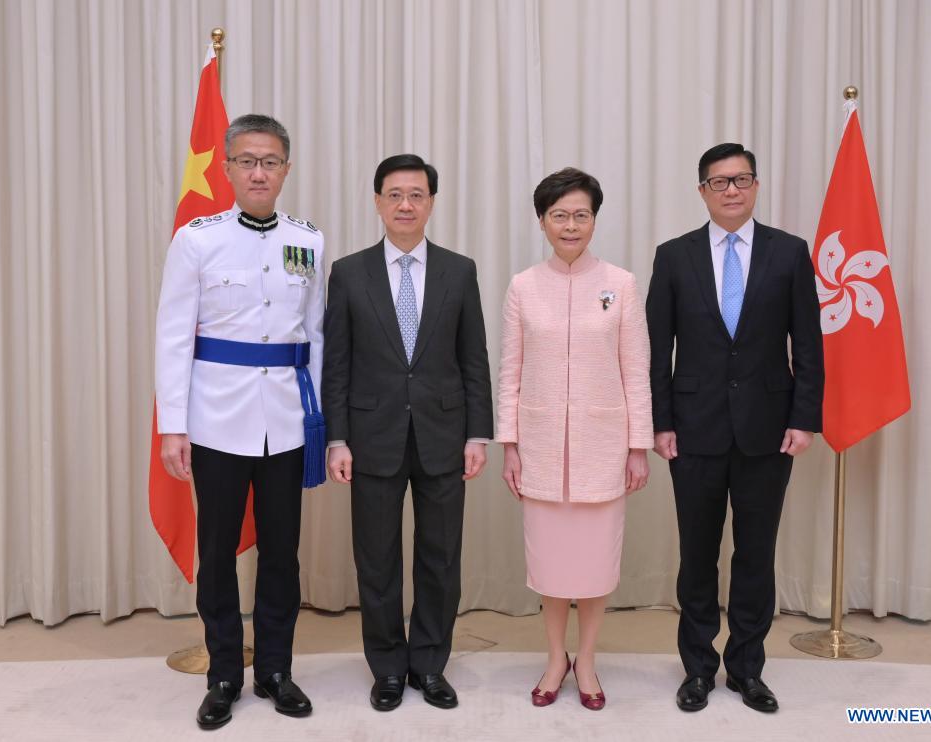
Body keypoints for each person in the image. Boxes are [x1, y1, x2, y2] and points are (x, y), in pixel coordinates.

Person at [155, 114, 323, 729]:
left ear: (286, 170)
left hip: (285, 422)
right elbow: (174, 335)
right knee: (218, 552)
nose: (258, 172)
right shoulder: (197, 239)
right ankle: (224, 671)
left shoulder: (309, 241)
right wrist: (173, 425)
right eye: (247, 161)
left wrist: (319, 421)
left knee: (282, 554)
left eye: (270, 161)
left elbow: (317, 335)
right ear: (227, 168)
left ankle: (275, 669)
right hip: (217, 420)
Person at [646, 143, 824, 713]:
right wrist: (660, 422)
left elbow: (809, 343)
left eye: (741, 179)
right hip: (692, 430)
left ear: (756, 186)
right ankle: (697, 669)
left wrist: (804, 418)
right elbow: (657, 349)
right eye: (719, 182)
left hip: (768, 431)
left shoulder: (789, 252)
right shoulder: (674, 256)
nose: (731, 190)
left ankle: (747, 669)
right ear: (702, 190)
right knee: (697, 556)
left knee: (755, 555)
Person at [322, 154, 493, 712]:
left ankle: (430, 664)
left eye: (416, 194)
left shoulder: (459, 270)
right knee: (376, 560)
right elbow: (337, 364)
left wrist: (477, 435)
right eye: (394, 194)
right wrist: (337, 438)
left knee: (441, 558)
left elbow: (473, 359)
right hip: (371, 437)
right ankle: (388, 668)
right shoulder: (349, 272)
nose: (405, 204)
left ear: (431, 203)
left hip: (444, 435)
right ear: (377, 202)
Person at [496, 167, 653, 710]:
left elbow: (636, 370)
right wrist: (509, 444)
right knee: (551, 566)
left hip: (603, 448)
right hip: (539, 447)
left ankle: (585, 658)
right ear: (542, 221)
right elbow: (510, 371)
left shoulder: (621, 284)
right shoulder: (523, 286)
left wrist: (637, 447)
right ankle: (553, 657)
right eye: (559, 215)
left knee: (594, 565)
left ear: (594, 220)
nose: (570, 226)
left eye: (580, 215)